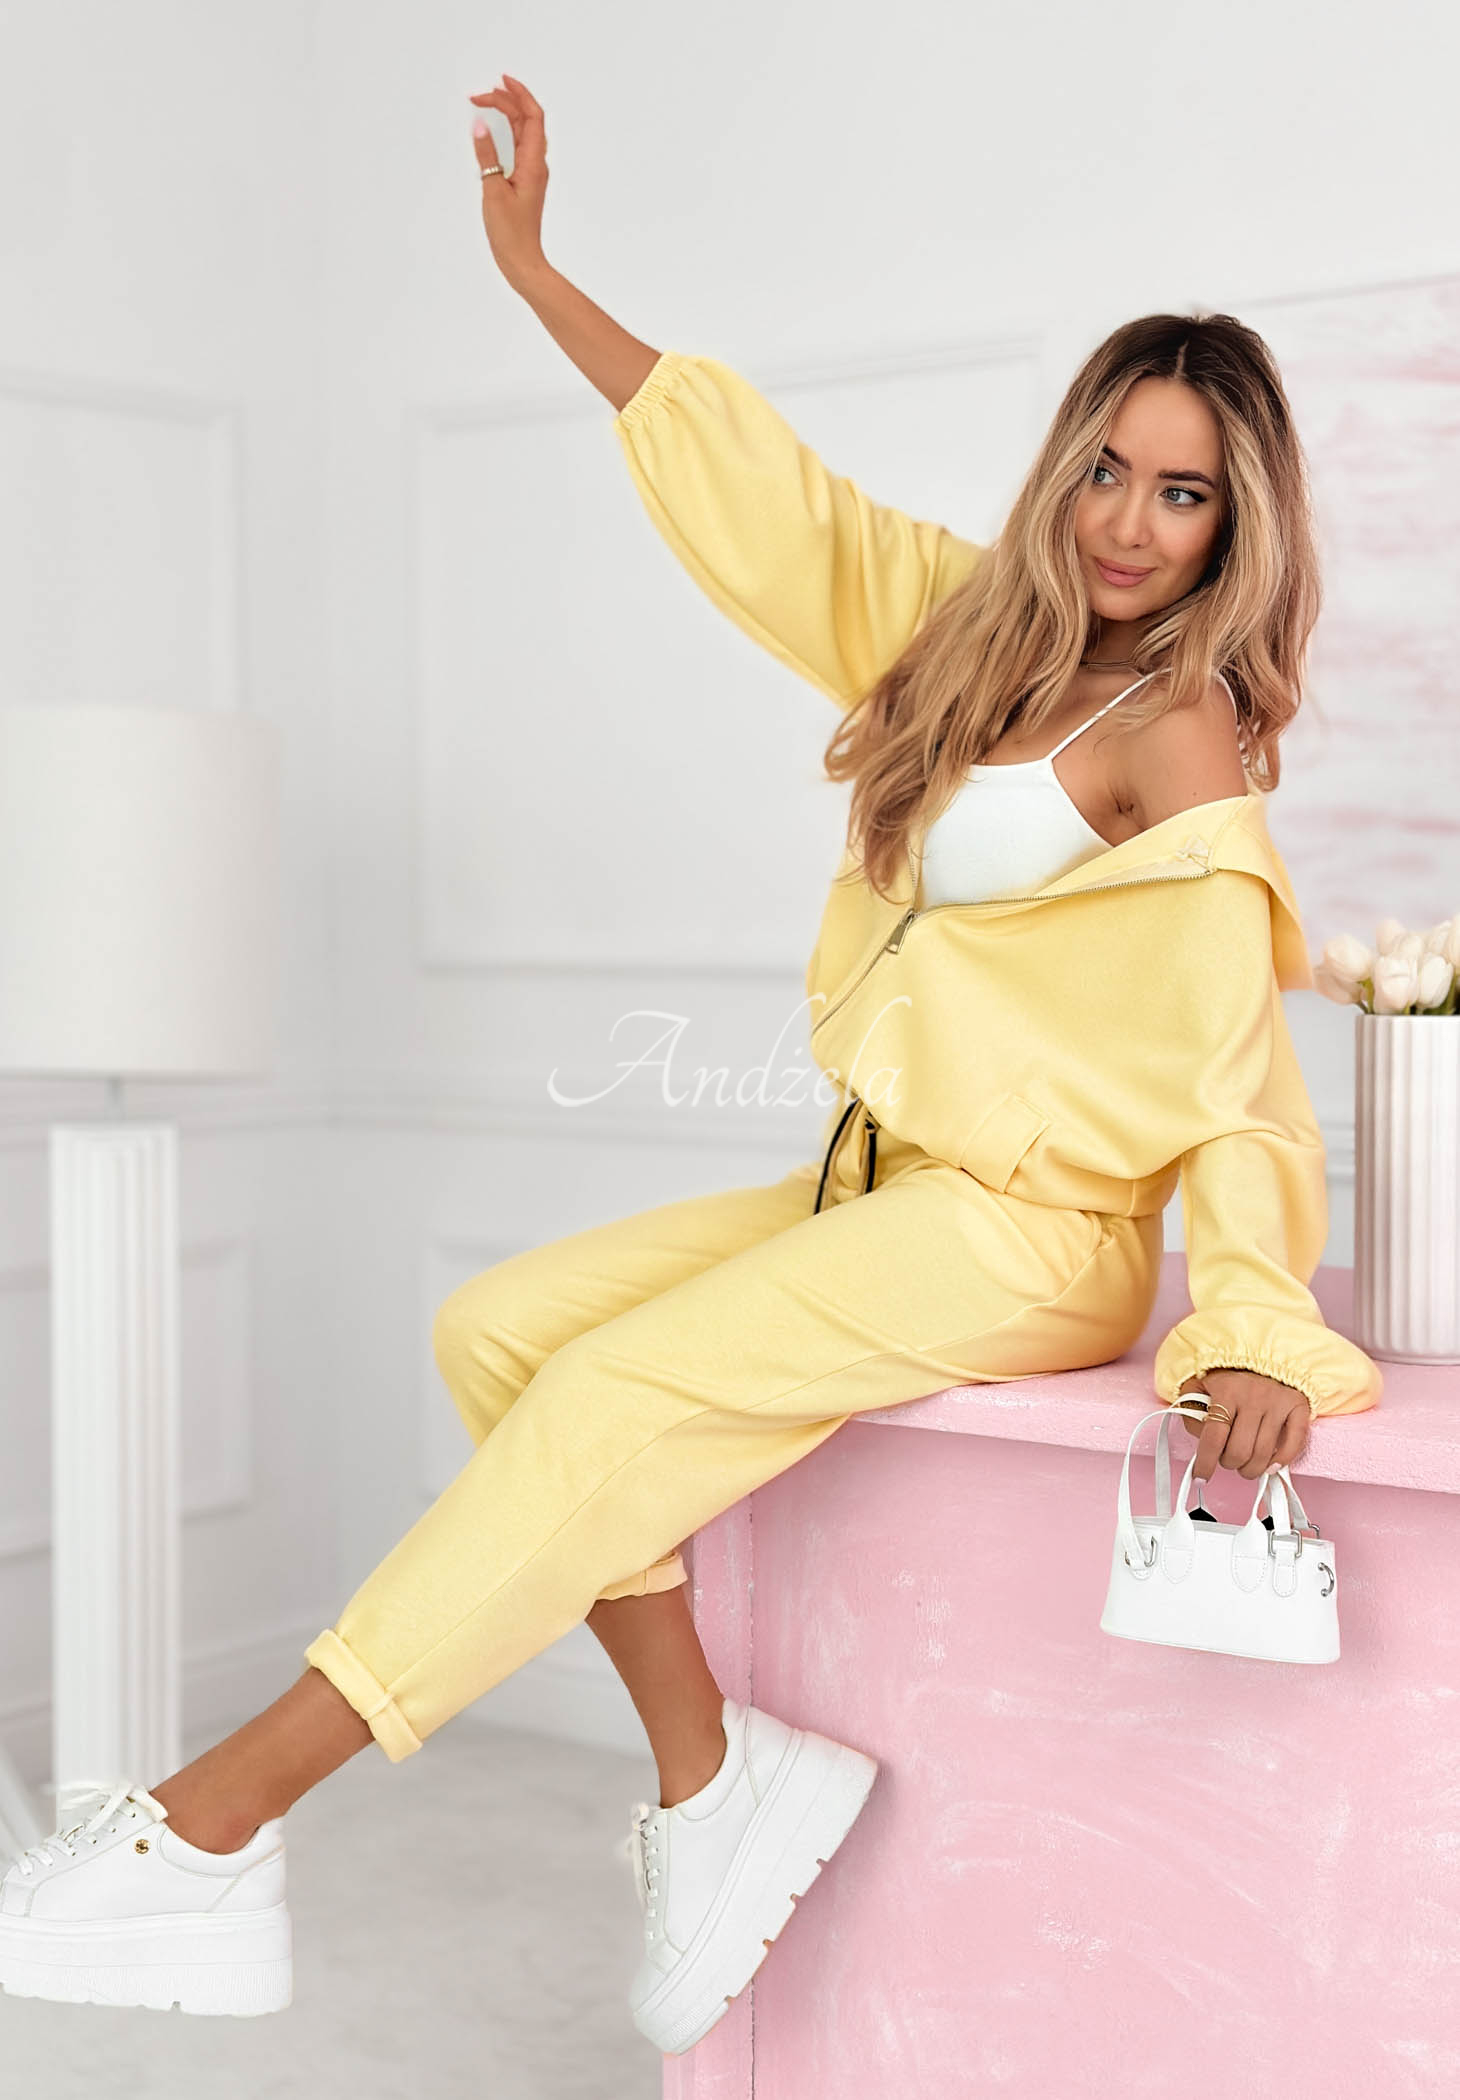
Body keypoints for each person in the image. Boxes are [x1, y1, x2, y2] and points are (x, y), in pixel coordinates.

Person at [0, 70, 1381, 2058]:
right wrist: (536, 274)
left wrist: (1251, 1321)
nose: (1129, 523)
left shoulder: (1185, 737)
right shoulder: (972, 632)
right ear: (1065, 465)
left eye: (1183, 493)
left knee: (613, 1391)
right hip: (888, 1189)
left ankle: (211, 1825)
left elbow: (1234, 1068)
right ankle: (714, 1781)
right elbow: (768, 499)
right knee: (500, 1328)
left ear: (1236, 522)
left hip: (1034, 1233)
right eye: (1109, 468)